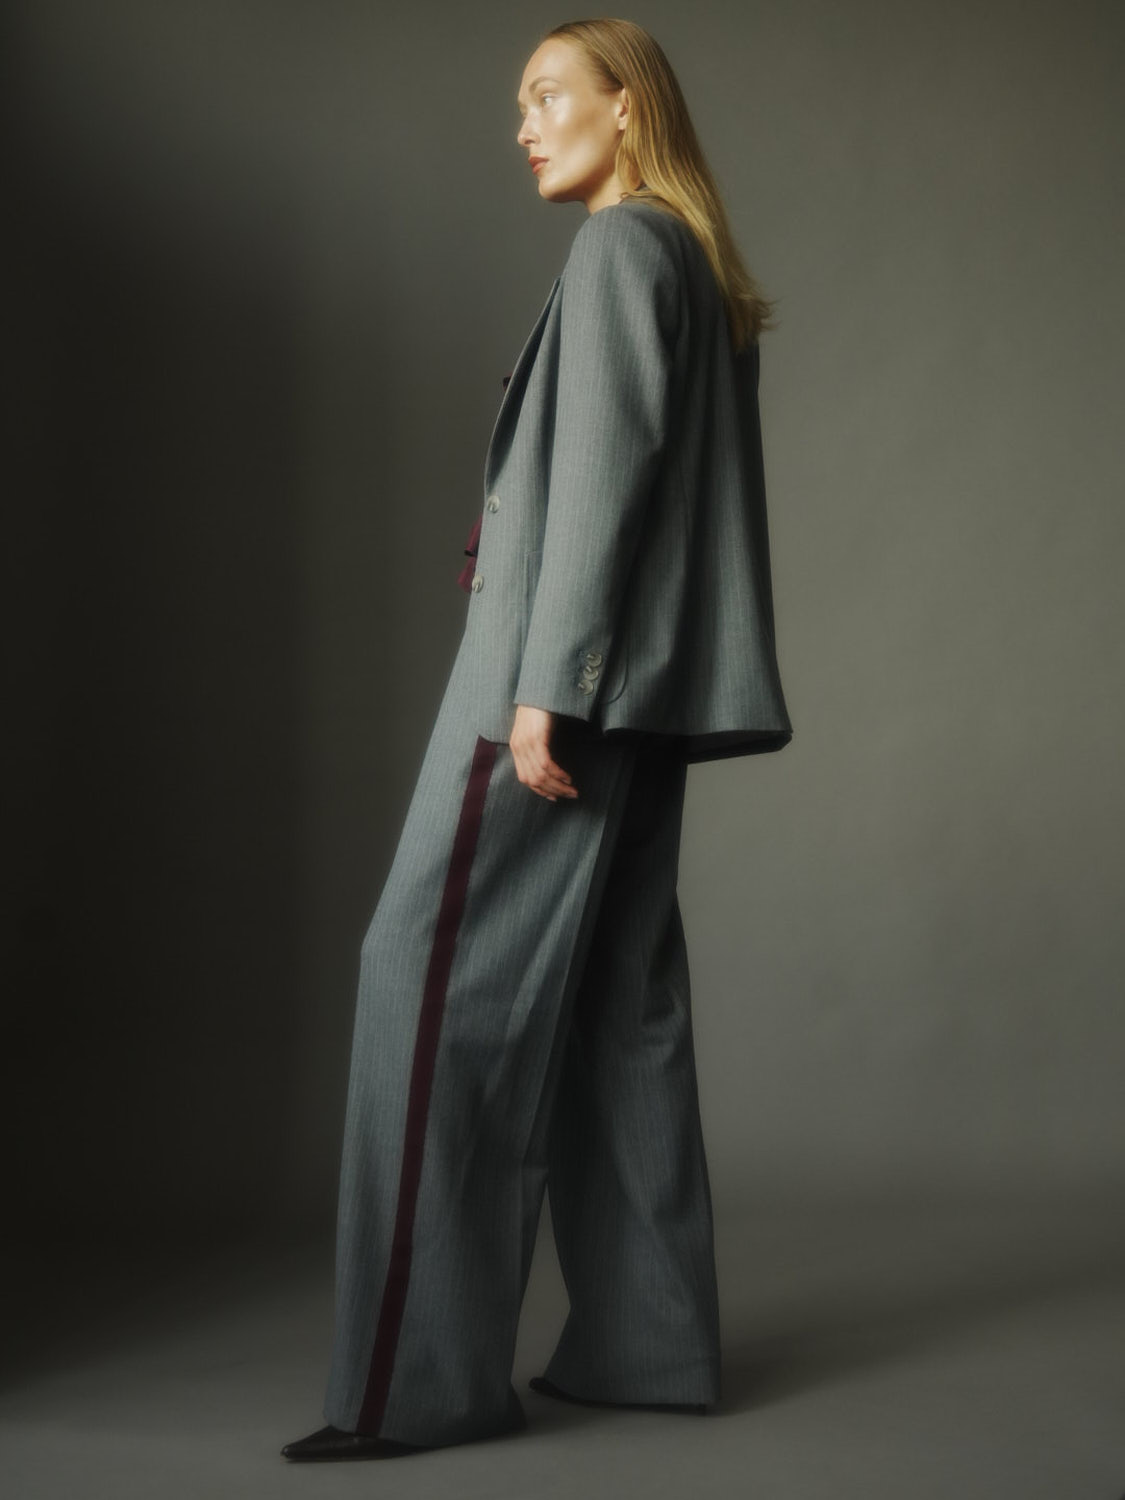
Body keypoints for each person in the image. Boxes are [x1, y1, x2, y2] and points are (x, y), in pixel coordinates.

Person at [281, 17, 791, 1463]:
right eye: (520, 102)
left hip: (555, 685)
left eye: (548, 94)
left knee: (422, 977)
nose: (522, 123)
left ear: (627, 110)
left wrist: (540, 691)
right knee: (617, 1005)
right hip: (643, 698)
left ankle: (412, 1389)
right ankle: (647, 1350)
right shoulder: (692, 265)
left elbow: (607, 488)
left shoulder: (624, 251)